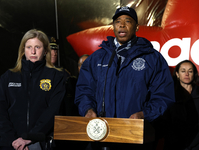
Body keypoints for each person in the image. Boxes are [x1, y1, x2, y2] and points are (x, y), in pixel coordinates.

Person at [75, 6, 175, 149]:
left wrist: (144, 114)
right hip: (101, 139)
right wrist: (87, 109)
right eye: (118, 21)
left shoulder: (152, 59)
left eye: (128, 21)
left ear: (137, 27)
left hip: (135, 138)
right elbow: (84, 90)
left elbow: (163, 95)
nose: (122, 24)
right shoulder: (97, 58)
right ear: (113, 26)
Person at [0, 29, 68, 150]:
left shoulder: (56, 76)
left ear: (45, 50)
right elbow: (0, 110)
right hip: (11, 143)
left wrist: (30, 137)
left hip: (40, 143)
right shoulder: (8, 77)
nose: (33, 51)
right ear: (23, 50)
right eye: (29, 47)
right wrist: (13, 141)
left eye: (38, 47)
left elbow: (53, 111)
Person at [161, 60, 199, 150]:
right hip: (173, 145)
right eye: (183, 71)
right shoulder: (168, 95)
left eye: (190, 71)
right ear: (177, 74)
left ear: (194, 74)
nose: (187, 74)